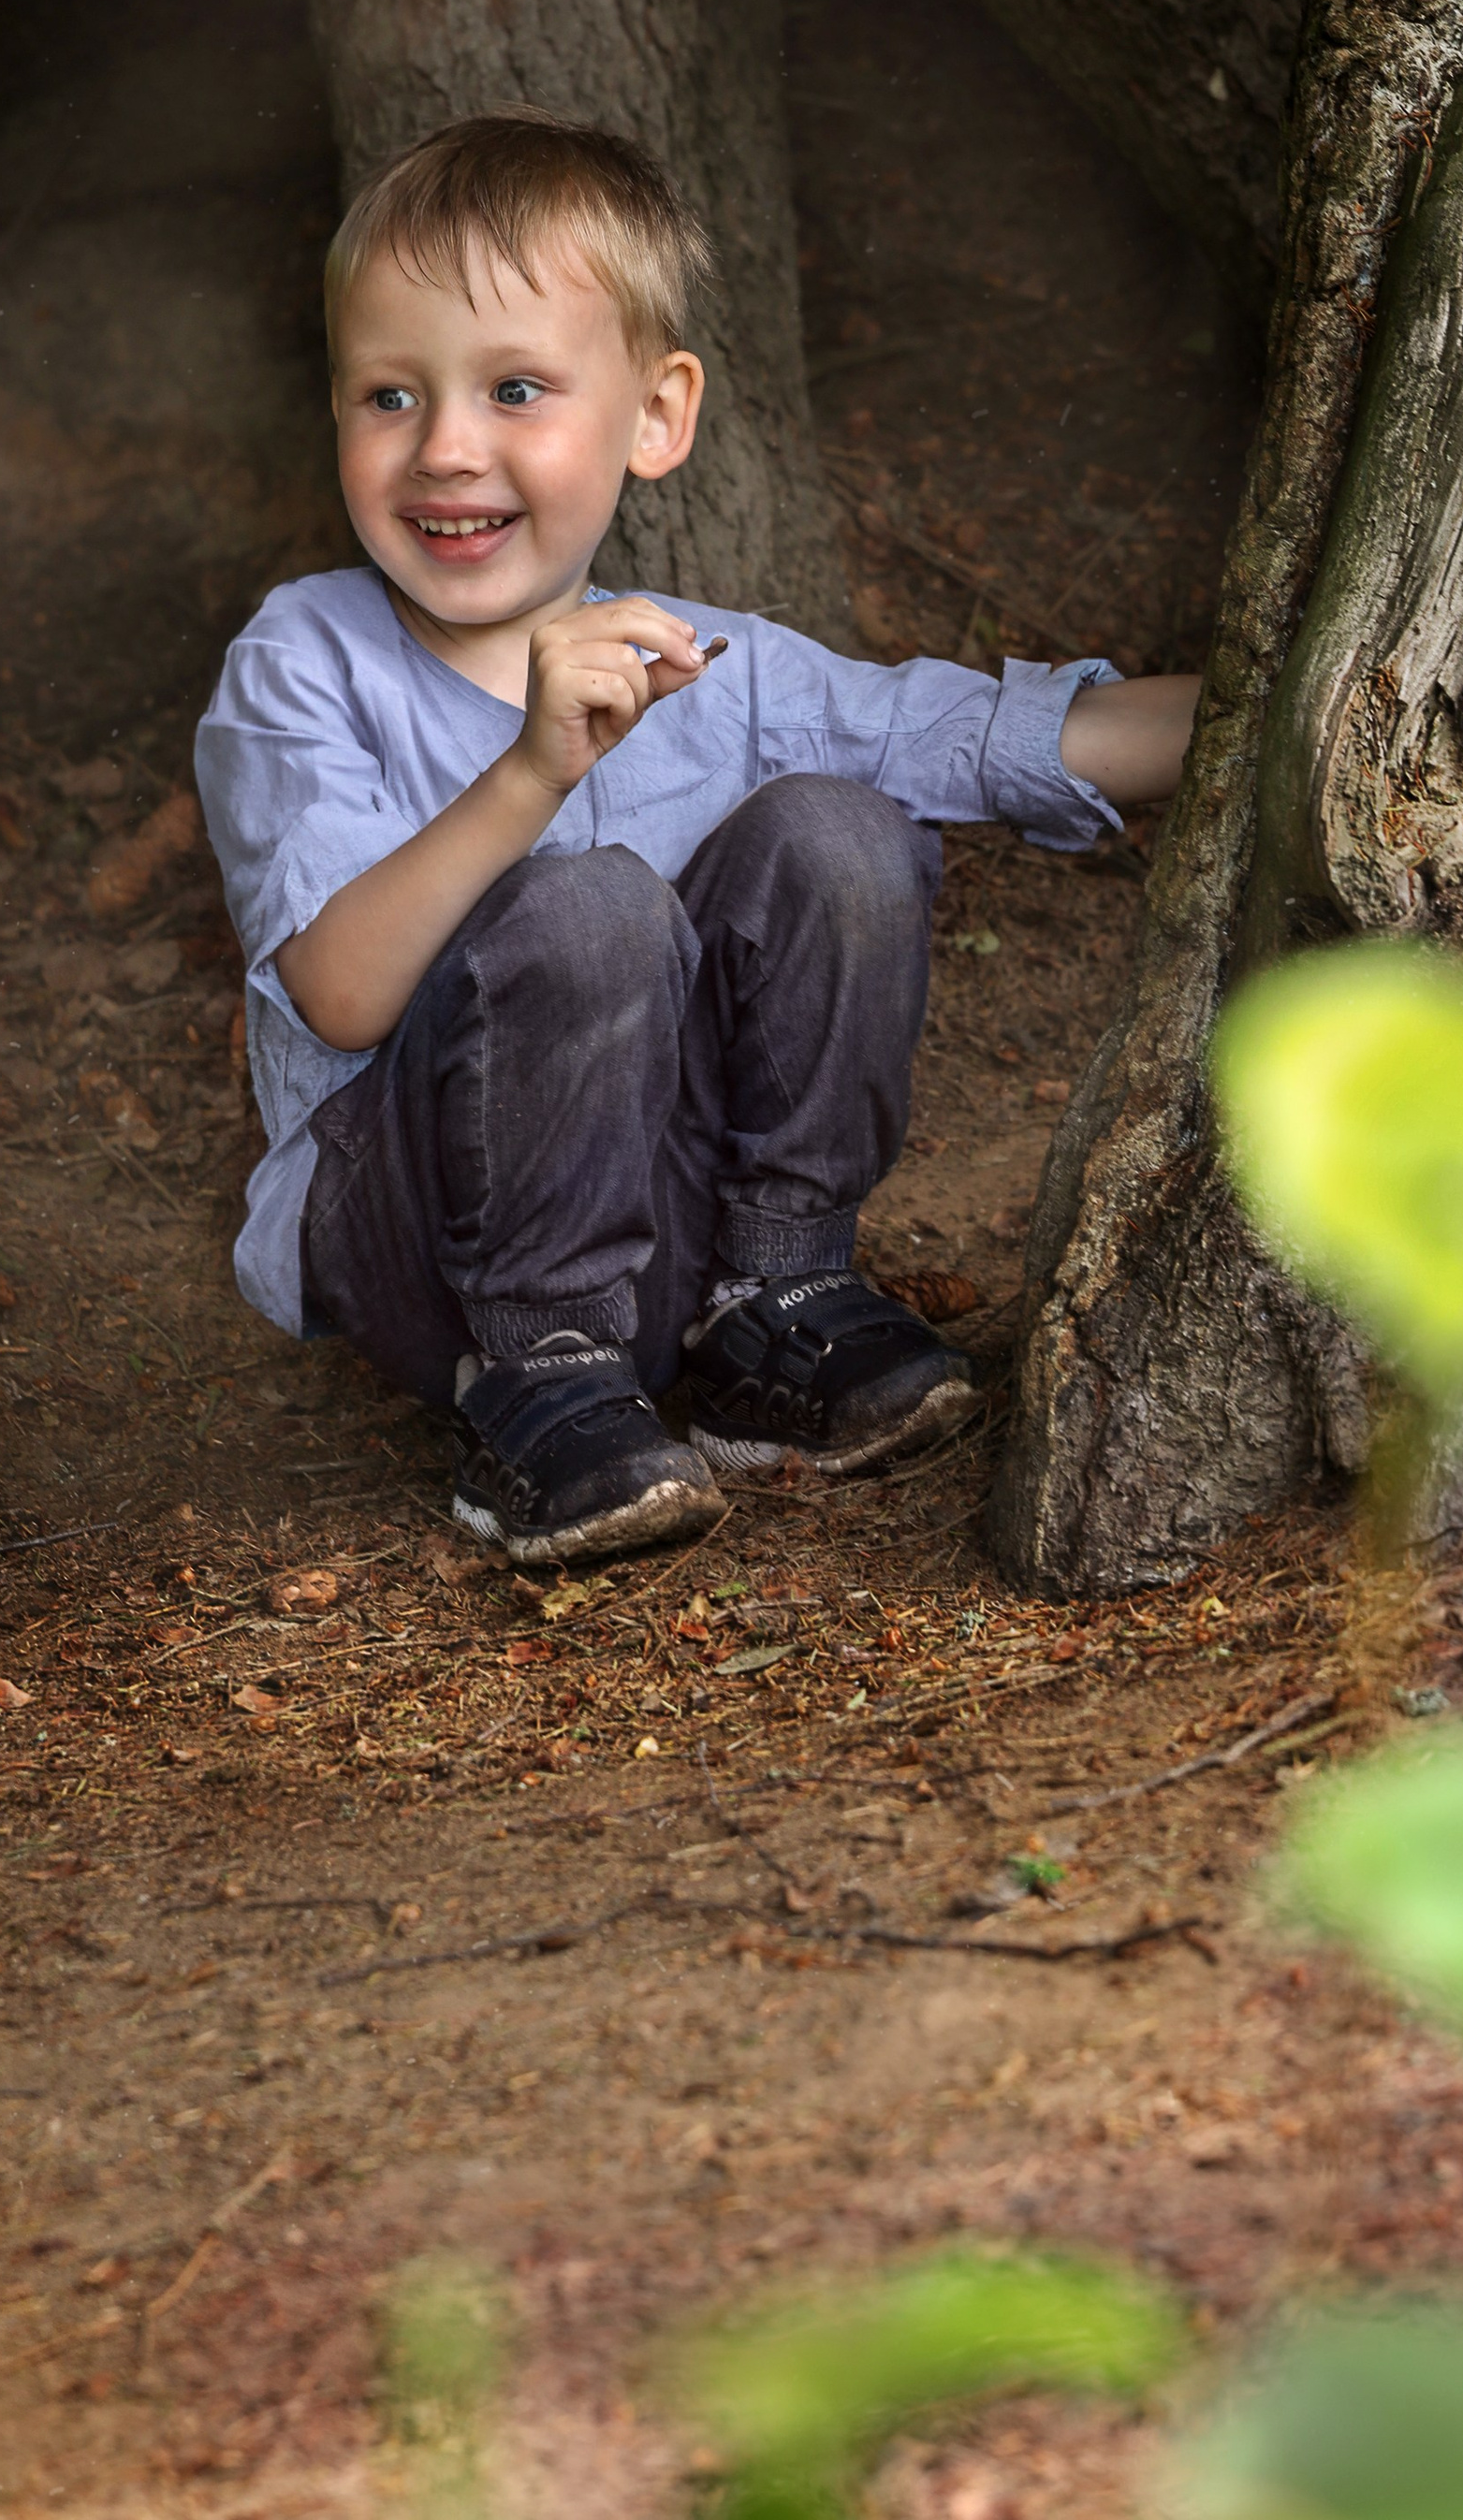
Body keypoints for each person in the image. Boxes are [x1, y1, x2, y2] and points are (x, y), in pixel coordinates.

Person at [195, 110, 1197, 1568]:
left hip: (675, 1221)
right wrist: (533, 772)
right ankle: (536, 1385)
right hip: (429, 1247)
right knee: (585, 907)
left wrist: (1310, 686)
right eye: (388, 398)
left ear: (658, 419)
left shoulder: (711, 662)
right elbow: (342, 991)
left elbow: (988, 735)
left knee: (841, 829)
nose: (447, 449)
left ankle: (769, 1312)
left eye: (516, 388)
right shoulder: (304, 659)